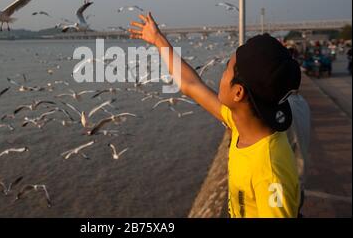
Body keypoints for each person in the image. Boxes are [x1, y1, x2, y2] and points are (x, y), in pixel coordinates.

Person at [129, 13, 301, 218]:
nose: (221, 73)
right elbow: (190, 85)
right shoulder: (243, 124)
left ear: (238, 93)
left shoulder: (270, 171)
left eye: (227, 68)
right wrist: (158, 39)